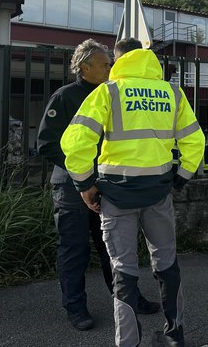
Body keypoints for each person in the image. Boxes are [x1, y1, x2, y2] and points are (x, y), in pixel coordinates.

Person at [61, 37, 205, 347]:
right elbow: (196, 142)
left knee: (123, 272)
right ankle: (174, 336)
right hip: (159, 194)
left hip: (116, 197)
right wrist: (179, 179)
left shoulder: (108, 92)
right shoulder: (173, 93)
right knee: (167, 264)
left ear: (119, 61)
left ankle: (128, 342)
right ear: (148, 59)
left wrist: (86, 185)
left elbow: (75, 143)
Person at [37, 38, 160, 331]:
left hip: (106, 183)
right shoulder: (65, 97)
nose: (110, 67)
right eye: (105, 63)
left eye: (110, 62)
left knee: (114, 249)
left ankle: (129, 299)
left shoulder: (112, 95)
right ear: (85, 67)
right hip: (71, 188)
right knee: (74, 249)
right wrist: (83, 174)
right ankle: (76, 308)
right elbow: (45, 143)